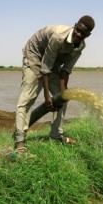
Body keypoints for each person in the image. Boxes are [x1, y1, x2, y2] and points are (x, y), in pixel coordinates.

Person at [14, 15, 95, 152]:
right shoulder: (58, 36)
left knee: (63, 98)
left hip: (53, 62)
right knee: (26, 100)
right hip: (35, 55)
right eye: (78, 30)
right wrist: (47, 96)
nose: (79, 34)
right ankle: (20, 142)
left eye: (83, 34)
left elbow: (65, 71)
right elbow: (45, 67)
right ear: (75, 25)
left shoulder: (80, 46)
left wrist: (62, 95)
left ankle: (55, 134)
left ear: (88, 35)